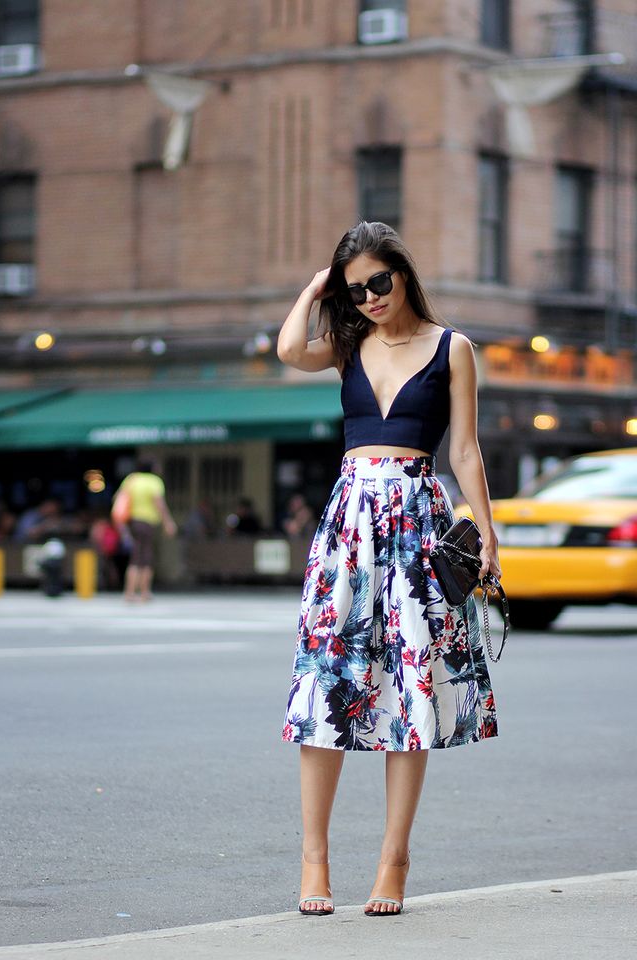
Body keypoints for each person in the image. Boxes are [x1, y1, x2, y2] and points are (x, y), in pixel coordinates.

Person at [277, 221, 501, 917]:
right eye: (356, 289)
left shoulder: (451, 348)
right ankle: (314, 859)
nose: (370, 297)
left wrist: (488, 533)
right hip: (348, 528)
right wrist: (319, 287)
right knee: (326, 685)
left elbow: (464, 450)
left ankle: (393, 858)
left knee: (411, 690)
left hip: (417, 524)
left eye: (379, 281)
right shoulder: (347, 346)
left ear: (403, 274)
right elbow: (288, 349)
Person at [116, 461, 177, 602]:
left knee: (136, 555)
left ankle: (129, 591)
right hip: (147, 523)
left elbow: (119, 498)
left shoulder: (132, 479)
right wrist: (167, 522)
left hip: (133, 522)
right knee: (146, 556)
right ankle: (144, 591)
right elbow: (159, 503)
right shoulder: (154, 481)